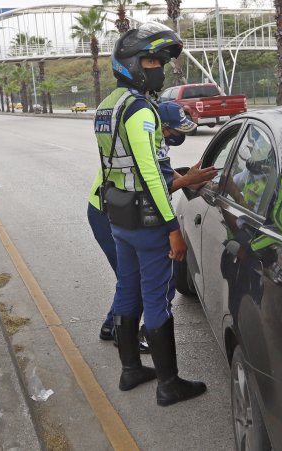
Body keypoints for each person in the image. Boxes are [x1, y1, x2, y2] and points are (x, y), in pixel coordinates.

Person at [93, 21, 208, 407]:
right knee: (157, 300)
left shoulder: (108, 106)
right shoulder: (140, 110)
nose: (158, 67)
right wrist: (172, 228)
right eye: (152, 60)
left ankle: (131, 370)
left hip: (119, 218)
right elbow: (151, 176)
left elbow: (117, 168)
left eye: (159, 60)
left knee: (127, 291)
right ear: (132, 64)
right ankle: (169, 384)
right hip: (146, 222)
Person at [86, 100, 215, 349]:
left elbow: (163, 171)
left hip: (118, 209)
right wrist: (187, 182)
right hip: (108, 212)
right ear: (162, 127)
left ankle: (112, 327)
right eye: (176, 131)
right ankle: (128, 338)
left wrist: (188, 179)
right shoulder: (141, 137)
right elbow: (151, 183)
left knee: (130, 278)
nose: (179, 136)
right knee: (132, 279)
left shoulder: (154, 138)